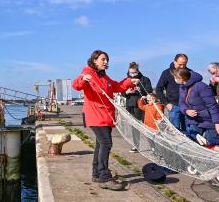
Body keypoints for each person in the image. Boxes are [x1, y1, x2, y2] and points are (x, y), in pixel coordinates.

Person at [72, 50, 139, 191]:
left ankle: (96, 174)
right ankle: (104, 176)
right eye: (103, 59)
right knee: (106, 144)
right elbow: (77, 85)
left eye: (107, 60)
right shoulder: (88, 73)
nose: (106, 62)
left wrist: (129, 81)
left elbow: (116, 87)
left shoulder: (104, 77)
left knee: (100, 145)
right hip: (96, 116)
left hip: (106, 116)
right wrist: (83, 79)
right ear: (95, 60)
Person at [175, 68, 219, 142]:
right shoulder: (182, 87)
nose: (174, 79)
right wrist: (186, 110)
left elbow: (212, 105)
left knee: (210, 144)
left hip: (209, 121)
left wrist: (217, 123)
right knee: (192, 143)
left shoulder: (201, 86)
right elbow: (181, 103)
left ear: (181, 78)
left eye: (175, 77)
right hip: (193, 121)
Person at [155, 54, 189, 130]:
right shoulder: (166, 73)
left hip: (187, 107)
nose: (182, 66)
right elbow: (158, 89)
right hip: (173, 106)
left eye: (184, 64)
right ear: (174, 62)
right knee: (175, 131)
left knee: (188, 131)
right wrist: (166, 103)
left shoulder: (189, 72)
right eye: (180, 64)